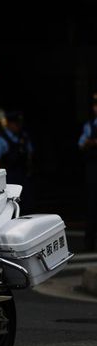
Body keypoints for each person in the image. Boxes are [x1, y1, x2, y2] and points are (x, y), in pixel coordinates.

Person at [0, 110, 34, 213]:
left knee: (26, 204)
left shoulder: (22, 136)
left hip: (23, 175)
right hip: (9, 176)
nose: (18, 125)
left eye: (19, 123)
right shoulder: (1, 139)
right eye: (16, 123)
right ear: (9, 123)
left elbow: (29, 154)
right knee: (12, 206)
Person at [78, 93, 97, 251]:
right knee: (91, 204)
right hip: (93, 168)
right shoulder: (89, 125)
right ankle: (89, 241)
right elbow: (82, 144)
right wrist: (89, 143)